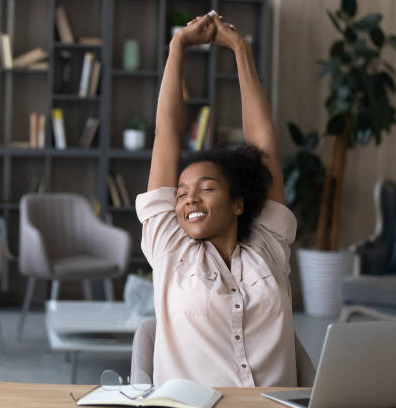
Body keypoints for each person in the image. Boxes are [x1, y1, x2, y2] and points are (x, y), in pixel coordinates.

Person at [135, 10, 297, 387]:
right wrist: (178, 47)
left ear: (238, 203)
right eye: (181, 194)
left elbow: (264, 150)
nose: (189, 199)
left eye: (206, 188)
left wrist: (240, 49)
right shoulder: (168, 245)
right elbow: (167, 133)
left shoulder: (268, 244)